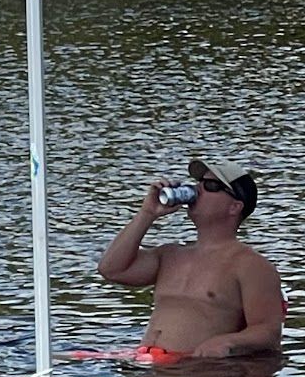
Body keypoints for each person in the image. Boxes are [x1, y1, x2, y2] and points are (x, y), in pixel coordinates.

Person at [96, 154, 284, 361]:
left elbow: (268, 332)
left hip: (196, 372)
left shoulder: (251, 265)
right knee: (58, 362)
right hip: (148, 367)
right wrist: (147, 213)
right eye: (198, 183)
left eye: (211, 185)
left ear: (235, 207)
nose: (198, 190)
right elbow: (111, 269)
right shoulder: (170, 255)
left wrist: (227, 342)